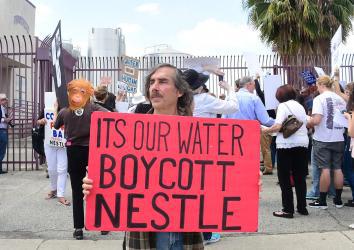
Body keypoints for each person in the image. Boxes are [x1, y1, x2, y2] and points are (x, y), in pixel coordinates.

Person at [83, 63, 204, 250]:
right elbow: (113, 176)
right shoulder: (127, 132)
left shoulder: (201, 135)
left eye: (163, 81)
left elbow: (213, 178)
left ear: (179, 91)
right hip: (143, 235)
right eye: (152, 82)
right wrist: (94, 185)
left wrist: (244, 185)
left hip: (185, 234)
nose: (154, 87)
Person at [183, 68, 238, 244]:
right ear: (199, 87)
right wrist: (229, 90)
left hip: (184, 150)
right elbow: (233, 107)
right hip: (205, 150)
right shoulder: (205, 100)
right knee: (204, 194)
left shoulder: (180, 101)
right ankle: (205, 234)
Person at [54, 79, 108, 240]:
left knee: (77, 190)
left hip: (73, 150)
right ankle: (103, 225)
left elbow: (56, 125)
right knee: (98, 187)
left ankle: (78, 229)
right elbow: (110, 117)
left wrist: (57, 110)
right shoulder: (94, 108)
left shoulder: (65, 111)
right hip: (93, 150)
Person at [263, 85, 309, 218]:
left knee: (284, 178)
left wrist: (265, 130)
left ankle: (288, 209)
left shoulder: (283, 106)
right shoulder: (300, 106)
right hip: (302, 143)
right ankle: (302, 207)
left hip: (286, 144)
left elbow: (277, 126)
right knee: (300, 177)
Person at [307, 75, 347, 209]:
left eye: (317, 86)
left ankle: (322, 201)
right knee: (337, 168)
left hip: (323, 138)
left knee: (325, 169)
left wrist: (308, 121)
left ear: (321, 85)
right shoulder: (340, 99)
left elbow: (317, 120)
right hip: (339, 137)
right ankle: (338, 200)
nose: (317, 89)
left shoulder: (319, 99)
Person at [223, 76, 275, 175]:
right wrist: (278, 122)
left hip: (232, 134)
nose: (255, 87)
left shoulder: (230, 97)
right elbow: (265, 120)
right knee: (249, 163)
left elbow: (224, 118)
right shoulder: (254, 98)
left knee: (235, 161)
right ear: (248, 85)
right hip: (249, 134)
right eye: (254, 85)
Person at [38, 101, 70, 206]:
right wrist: (41, 121)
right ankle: (54, 190)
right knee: (51, 169)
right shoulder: (47, 106)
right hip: (49, 142)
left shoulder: (69, 108)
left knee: (62, 169)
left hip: (63, 144)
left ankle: (60, 194)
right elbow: (38, 121)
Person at [0, 93, 12, 174]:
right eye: (4, 99)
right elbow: (1, 119)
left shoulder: (3, 108)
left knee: (2, 149)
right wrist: (5, 120)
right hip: (1, 130)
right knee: (2, 149)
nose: (6, 101)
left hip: (2, 130)